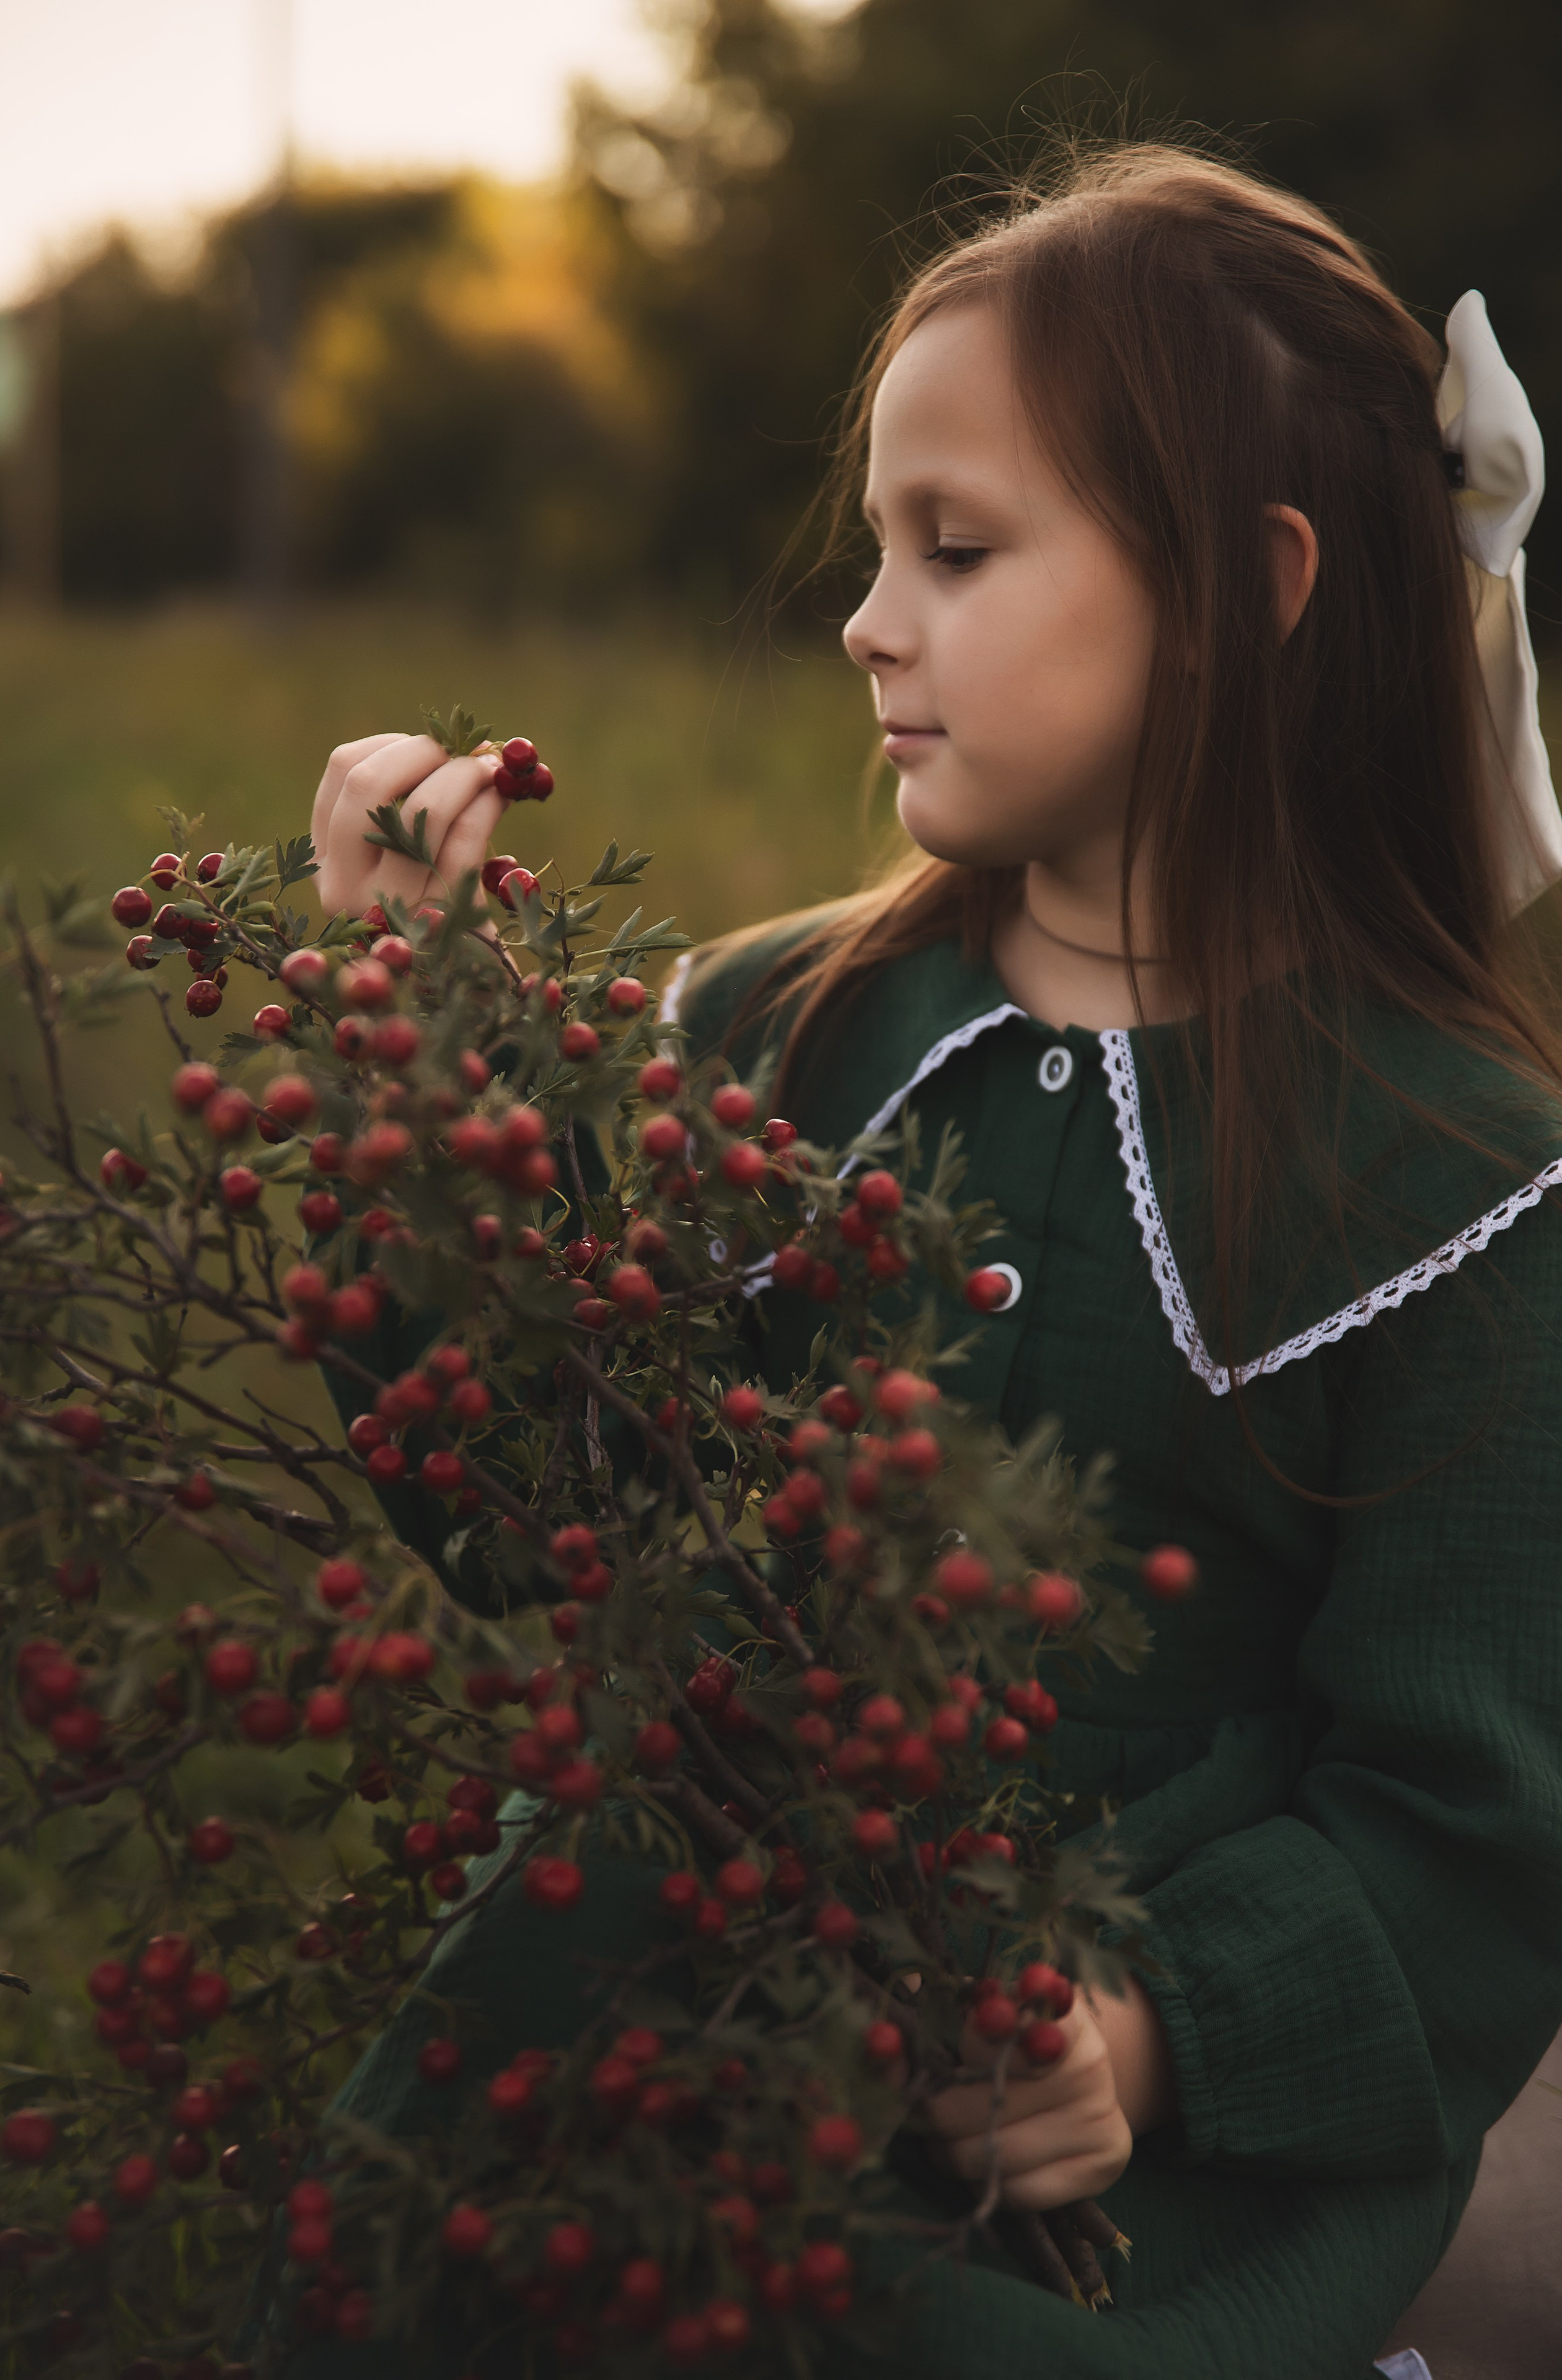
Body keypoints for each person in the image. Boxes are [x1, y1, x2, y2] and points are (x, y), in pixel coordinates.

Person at [261, 144, 1562, 2380]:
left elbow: (1474, 1813)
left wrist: (1146, 2041)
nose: (871, 616)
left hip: (1083, 2139)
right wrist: (423, 1056)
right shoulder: (791, 1030)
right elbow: (566, 1522)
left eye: (956, 550)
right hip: (680, 1983)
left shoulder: (1460, 1178)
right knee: (433, 2276)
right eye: (879, 545)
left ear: (1255, 589)